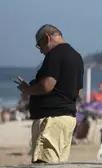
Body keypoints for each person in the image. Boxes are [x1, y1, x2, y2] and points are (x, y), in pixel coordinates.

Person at [17, 24, 84, 164]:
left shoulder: (54, 54)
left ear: (47, 38)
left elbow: (47, 85)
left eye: (39, 46)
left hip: (51, 120)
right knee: (59, 163)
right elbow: (78, 91)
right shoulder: (77, 56)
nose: (41, 51)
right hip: (67, 119)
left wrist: (27, 89)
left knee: (44, 163)